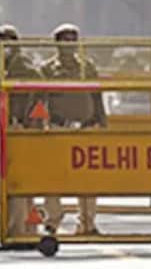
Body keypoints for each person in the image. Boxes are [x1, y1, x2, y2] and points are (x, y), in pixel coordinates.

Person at [42, 23, 106, 236]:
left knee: (87, 177)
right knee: (52, 176)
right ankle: (53, 219)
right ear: (57, 43)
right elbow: (41, 100)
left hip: (86, 128)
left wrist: (100, 120)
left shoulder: (87, 67)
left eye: (73, 39)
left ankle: (87, 222)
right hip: (59, 128)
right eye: (64, 40)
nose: (69, 44)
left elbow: (97, 96)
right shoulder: (48, 69)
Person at [0, 24, 42, 238]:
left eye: (6, 41)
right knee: (20, 181)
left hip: (19, 129)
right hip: (12, 129)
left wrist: (25, 118)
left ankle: (18, 229)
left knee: (17, 181)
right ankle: (25, 228)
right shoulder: (8, 64)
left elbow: (36, 83)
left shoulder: (20, 64)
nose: (2, 46)